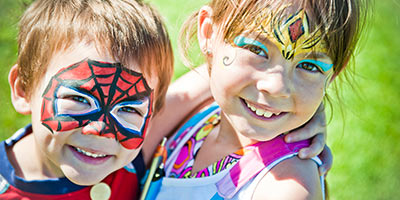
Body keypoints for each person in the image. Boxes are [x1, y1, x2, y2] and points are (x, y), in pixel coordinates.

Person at [150, 0, 368, 199]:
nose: (276, 87)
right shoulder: (196, 111)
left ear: (333, 74)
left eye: (310, 66)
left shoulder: (286, 189)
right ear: (208, 33)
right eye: (256, 49)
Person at [0, 0, 176, 199]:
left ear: (152, 116)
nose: (101, 130)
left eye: (128, 109)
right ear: (24, 88)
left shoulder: (130, 160)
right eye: (79, 98)